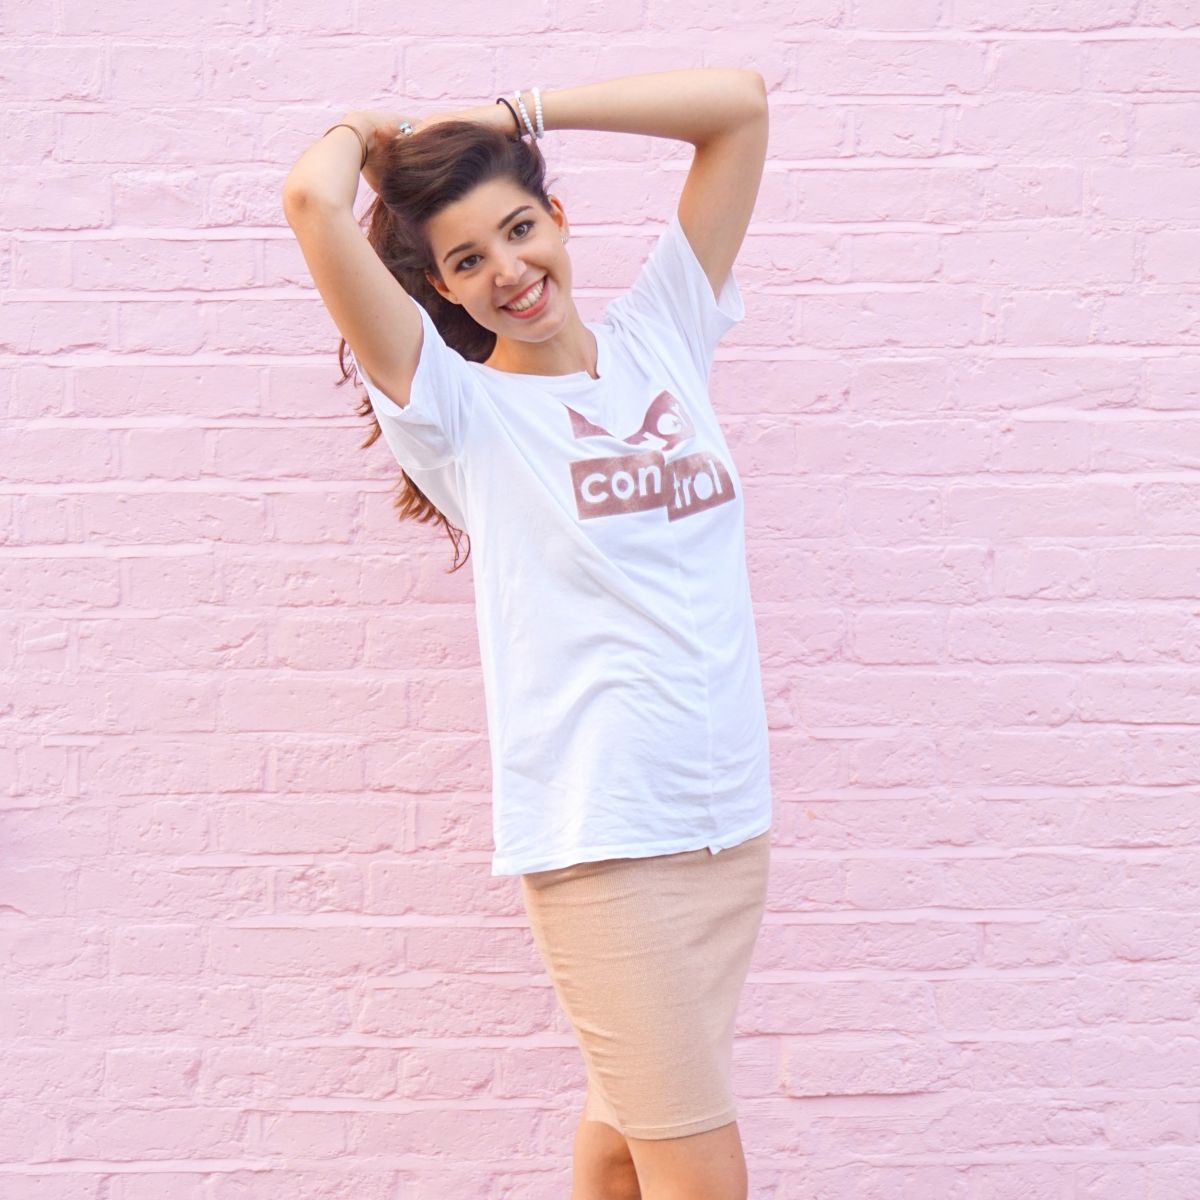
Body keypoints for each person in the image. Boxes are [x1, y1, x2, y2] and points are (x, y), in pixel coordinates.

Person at [282, 67, 771, 1200]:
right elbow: (313, 200)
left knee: (622, 1135)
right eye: (466, 261)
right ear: (441, 287)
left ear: (557, 217)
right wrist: (365, 126)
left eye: (517, 230)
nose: (506, 271)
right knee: (701, 1172)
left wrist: (516, 115)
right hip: (604, 841)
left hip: (729, 823)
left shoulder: (661, 337)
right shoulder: (459, 410)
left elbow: (739, 109)